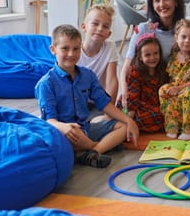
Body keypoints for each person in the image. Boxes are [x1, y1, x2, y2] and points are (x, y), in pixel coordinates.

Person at [35, 24, 139, 168]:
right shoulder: (46, 83)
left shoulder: (87, 75)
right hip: (64, 132)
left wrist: (129, 120)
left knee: (122, 126)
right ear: (53, 50)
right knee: (72, 133)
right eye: (65, 48)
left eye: (76, 49)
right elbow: (50, 120)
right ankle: (99, 147)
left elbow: (105, 104)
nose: (71, 54)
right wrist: (64, 127)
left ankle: (91, 152)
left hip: (86, 128)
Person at [119, 0, 190, 108]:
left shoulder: (183, 31)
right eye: (157, 1)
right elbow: (126, 67)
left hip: (177, 88)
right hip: (147, 90)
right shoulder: (143, 29)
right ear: (152, 5)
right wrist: (124, 90)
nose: (162, 4)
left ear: (175, 1)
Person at [116, 33, 168, 133]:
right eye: (147, 55)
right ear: (140, 57)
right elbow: (133, 95)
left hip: (155, 104)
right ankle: (129, 123)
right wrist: (130, 116)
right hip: (137, 104)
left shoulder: (163, 69)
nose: (152, 58)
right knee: (135, 115)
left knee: (167, 113)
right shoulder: (135, 71)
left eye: (155, 53)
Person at [78, 5, 119, 100]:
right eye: (95, 24)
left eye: (105, 26)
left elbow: (111, 81)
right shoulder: (75, 50)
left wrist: (110, 111)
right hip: (75, 101)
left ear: (109, 34)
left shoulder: (110, 46)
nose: (100, 29)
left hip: (97, 102)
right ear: (84, 27)